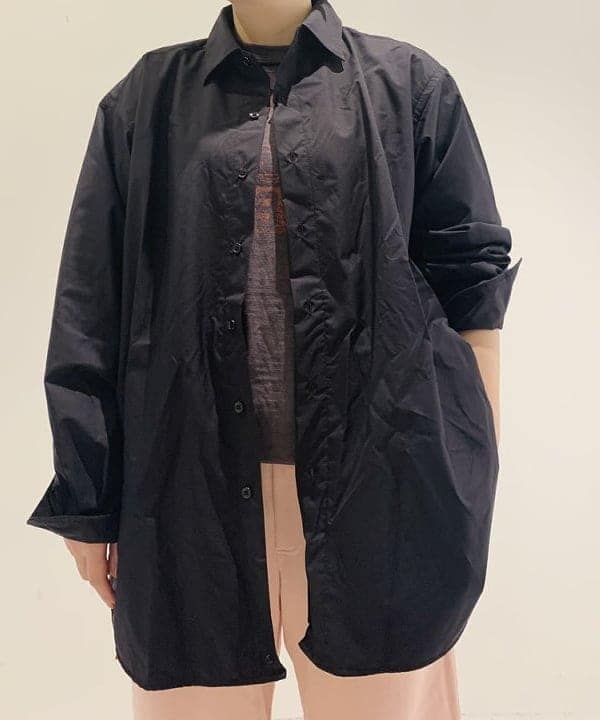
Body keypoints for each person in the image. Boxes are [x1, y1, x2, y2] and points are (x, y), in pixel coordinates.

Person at [26, 1, 522, 718]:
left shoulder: (409, 84)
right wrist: (87, 502)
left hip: (383, 494)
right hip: (187, 498)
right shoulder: (145, 98)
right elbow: (90, 304)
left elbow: (471, 285)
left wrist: (473, 473)